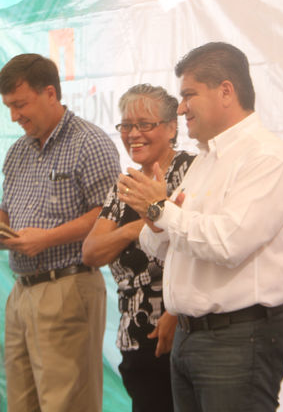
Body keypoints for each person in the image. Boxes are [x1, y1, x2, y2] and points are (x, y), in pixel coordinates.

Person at [121, 42, 283, 411]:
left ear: (226, 91)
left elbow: (228, 243)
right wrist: (156, 220)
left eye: (189, 95)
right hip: (191, 336)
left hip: (239, 338)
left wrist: (160, 210)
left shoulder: (266, 156)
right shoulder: (206, 158)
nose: (181, 108)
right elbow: (161, 245)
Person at [0, 54, 120, 411]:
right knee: (22, 402)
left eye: (20, 104)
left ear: (50, 93)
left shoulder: (90, 142)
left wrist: (47, 238)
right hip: (22, 291)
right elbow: (7, 213)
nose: (14, 116)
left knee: (66, 403)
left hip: (68, 285)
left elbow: (108, 213)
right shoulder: (18, 151)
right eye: (9, 106)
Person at [82, 84, 195, 412]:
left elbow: (196, 249)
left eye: (144, 124)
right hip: (135, 337)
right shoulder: (125, 186)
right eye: (127, 125)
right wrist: (136, 228)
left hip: (182, 331)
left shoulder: (191, 172)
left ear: (171, 127)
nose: (133, 134)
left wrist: (176, 313)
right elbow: (91, 252)